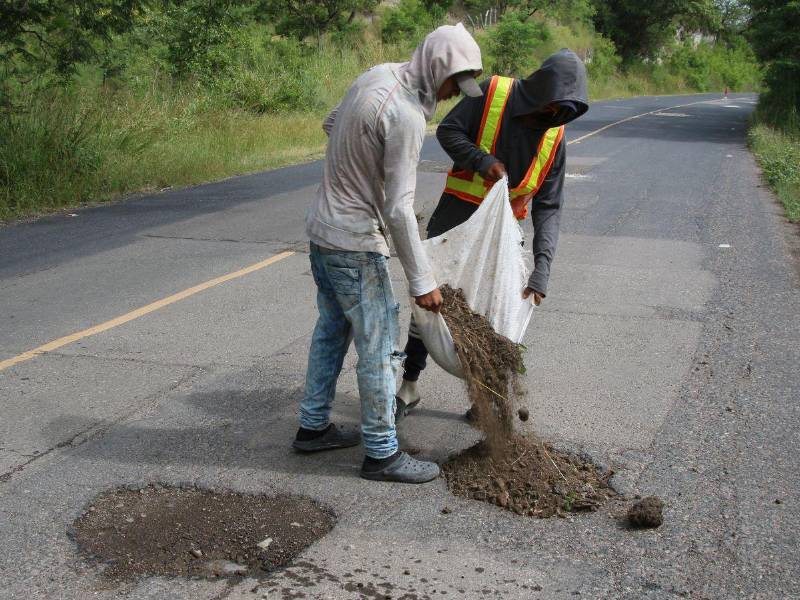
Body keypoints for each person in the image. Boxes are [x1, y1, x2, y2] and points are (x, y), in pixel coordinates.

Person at [292, 24, 483, 484]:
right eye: (454, 82)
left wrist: (354, 170)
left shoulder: (375, 75)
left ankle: (312, 426)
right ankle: (381, 453)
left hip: (322, 229)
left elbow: (332, 124)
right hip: (355, 243)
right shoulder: (407, 115)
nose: (455, 93)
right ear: (439, 68)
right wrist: (423, 282)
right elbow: (398, 208)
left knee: (332, 330)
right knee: (379, 349)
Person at [396, 49, 589, 419]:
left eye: (562, 113)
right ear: (538, 93)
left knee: (492, 312)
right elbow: (449, 130)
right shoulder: (494, 93)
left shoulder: (555, 138)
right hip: (455, 222)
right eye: (550, 108)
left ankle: (482, 397)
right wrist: (481, 162)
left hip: (501, 237)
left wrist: (542, 268)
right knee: (429, 302)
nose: (552, 118)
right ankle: (408, 385)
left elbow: (549, 206)